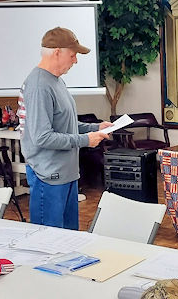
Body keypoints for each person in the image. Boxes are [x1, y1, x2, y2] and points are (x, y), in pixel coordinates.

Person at [18, 27, 112, 230]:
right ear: (57, 52)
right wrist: (86, 140)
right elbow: (42, 137)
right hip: (49, 177)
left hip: (65, 174)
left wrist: (95, 127)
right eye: (73, 55)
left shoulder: (56, 81)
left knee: (70, 241)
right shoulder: (39, 85)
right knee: (49, 244)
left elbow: (65, 124)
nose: (75, 60)